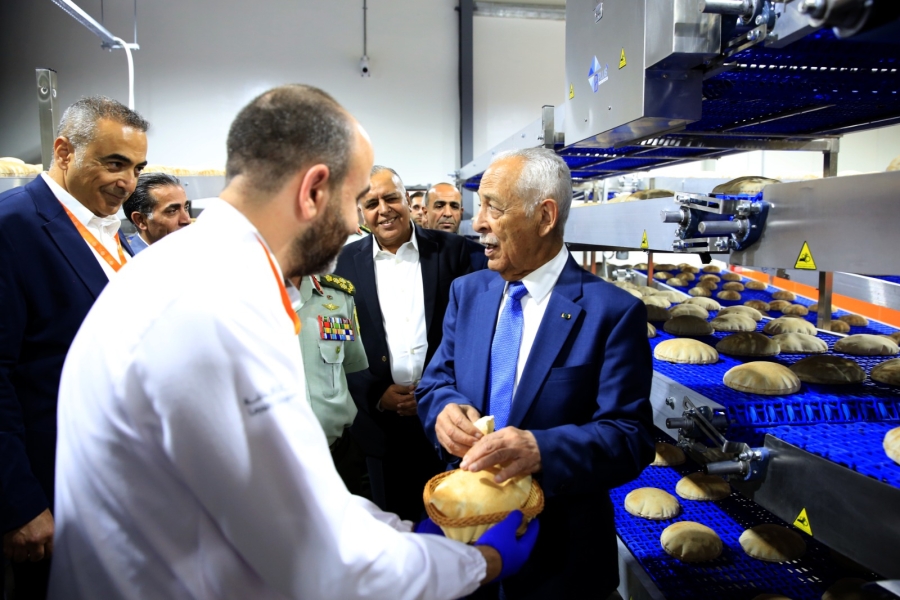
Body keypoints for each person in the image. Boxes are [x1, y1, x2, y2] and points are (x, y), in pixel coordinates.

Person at [49, 84, 536, 599]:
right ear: (313, 190)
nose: (355, 224)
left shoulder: (190, 269)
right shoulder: (219, 309)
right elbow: (316, 558)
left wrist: (404, 535)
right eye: (355, 201)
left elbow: (299, 494)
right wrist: (475, 563)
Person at [418, 147, 655, 599]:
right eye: (478, 206)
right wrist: (444, 409)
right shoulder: (468, 293)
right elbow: (435, 382)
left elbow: (631, 436)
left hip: (560, 562)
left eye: (493, 207)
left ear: (545, 216)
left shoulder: (612, 313)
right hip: (467, 540)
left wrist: (541, 449)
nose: (477, 223)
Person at [0, 96, 146, 599]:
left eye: (136, 168)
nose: (127, 182)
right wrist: (17, 502)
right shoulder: (13, 226)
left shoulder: (115, 234)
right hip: (52, 489)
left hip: (121, 482)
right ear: (64, 151)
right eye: (114, 163)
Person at [334, 166, 481, 521]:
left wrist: (439, 390)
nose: (383, 210)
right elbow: (338, 344)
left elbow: (473, 330)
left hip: (446, 419)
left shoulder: (455, 252)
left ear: (407, 200)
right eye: (372, 204)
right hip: (381, 427)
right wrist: (375, 392)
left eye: (391, 198)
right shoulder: (342, 265)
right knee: (393, 527)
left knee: (454, 523)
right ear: (360, 212)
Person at [292, 272, 369, 495]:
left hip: (338, 457)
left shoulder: (338, 296)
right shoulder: (236, 302)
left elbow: (351, 364)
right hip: (272, 466)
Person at [122, 172, 192, 253]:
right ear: (141, 220)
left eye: (186, 208)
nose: (187, 220)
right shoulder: (130, 260)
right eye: (172, 211)